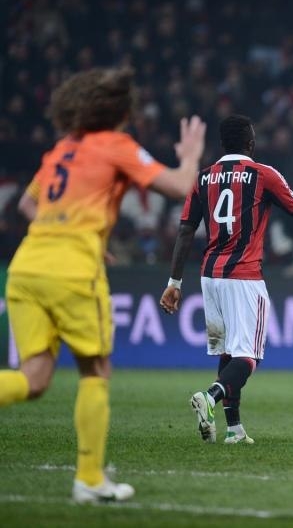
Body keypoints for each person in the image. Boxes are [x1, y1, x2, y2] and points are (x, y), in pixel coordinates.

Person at [0, 67, 206, 503]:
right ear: (121, 111)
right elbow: (180, 186)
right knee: (95, 370)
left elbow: (27, 204)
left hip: (25, 269)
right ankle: (90, 480)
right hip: (72, 271)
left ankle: (90, 480)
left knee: (33, 379)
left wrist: (71, 229)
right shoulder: (116, 145)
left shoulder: (63, 149)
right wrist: (190, 155)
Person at [159, 114, 293, 445]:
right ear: (251, 143)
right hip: (244, 276)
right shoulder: (262, 174)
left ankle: (234, 429)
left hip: (210, 277)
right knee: (250, 355)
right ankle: (209, 396)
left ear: (222, 144)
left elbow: (186, 231)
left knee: (229, 352)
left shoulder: (203, 178)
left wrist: (174, 283)